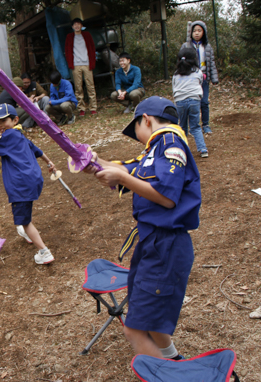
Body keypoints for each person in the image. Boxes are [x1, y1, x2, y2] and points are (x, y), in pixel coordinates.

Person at [85, 96, 200, 361]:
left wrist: (122, 177)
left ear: (145, 120)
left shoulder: (171, 144)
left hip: (166, 246)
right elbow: (125, 168)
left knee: (135, 330)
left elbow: (167, 197)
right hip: (152, 243)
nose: (136, 137)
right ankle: (174, 362)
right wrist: (93, 161)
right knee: (150, 320)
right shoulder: (154, 149)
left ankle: (167, 375)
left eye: (135, 129)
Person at [0, 104, 57, 265]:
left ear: (15, 119)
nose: (0, 125)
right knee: (23, 215)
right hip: (33, 180)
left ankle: (44, 252)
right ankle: (24, 231)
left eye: (4, 120)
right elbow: (38, 151)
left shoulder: (8, 136)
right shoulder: (19, 135)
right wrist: (50, 162)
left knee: (24, 220)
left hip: (20, 185)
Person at [180, 21, 219, 134]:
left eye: (199, 30)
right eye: (194, 31)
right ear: (190, 32)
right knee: (191, 103)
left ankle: (205, 125)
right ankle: (192, 126)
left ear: (204, 32)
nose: (196, 33)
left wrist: (214, 78)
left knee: (204, 103)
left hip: (203, 79)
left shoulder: (207, 47)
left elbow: (211, 62)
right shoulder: (186, 46)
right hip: (190, 80)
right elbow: (181, 62)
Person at [173, 48, 208, 158]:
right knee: (195, 127)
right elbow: (201, 81)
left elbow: (174, 87)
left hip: (180, 102)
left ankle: (182, 151)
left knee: (182, 127)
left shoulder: (176, 74)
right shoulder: (198, 72)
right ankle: (203, 149)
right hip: (194, 101)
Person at [64, 18, 97, 116]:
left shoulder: (87, 35)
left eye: (78, 24)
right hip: (76, 64)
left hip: (87, 63)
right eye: (75, 24)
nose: (77, 26)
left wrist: (92, 62)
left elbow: (92, 48)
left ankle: (93, 107)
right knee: (78, 88)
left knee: (90, 86)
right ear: (72, 26)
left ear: (81, 25)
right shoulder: (69, 37)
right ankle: (81, 108)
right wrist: (70, 64)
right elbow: (67, 51)